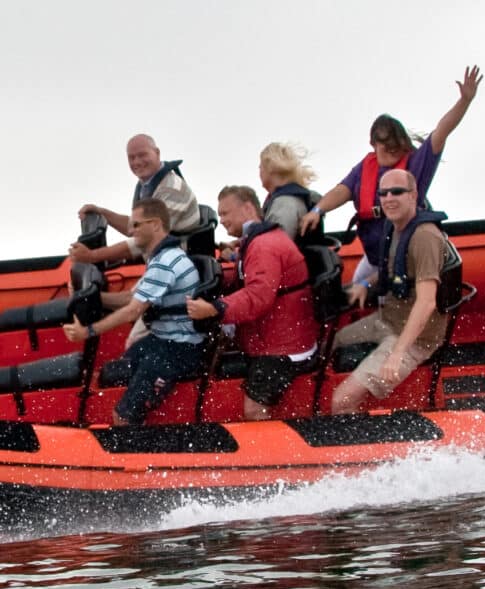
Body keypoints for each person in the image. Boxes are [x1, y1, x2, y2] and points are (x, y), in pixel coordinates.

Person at [299, 65, 482, 280]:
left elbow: (442, 131)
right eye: (386, 147)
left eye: (395, 146)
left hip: (404, 256)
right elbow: (342, 190)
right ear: (373, 144)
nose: (392, 151)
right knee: (355, 285)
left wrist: (464, 101)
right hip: (374, 258)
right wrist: (317, 210)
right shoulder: (365, 168)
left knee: (368, 286)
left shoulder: (415, 164)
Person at [62, 199, 204, 425]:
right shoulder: (161, 257)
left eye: (136, 225)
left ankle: (134, 431)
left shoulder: (165, 263)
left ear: (155, 224)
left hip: (179, 349)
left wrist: (88, 331)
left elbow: (132, 311)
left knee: (122, 417)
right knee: (118, 371)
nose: (130, 230)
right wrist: (90, 297)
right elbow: (130, 298)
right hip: (162, 340)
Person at [186, 185, 318, 420]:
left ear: (247, 208)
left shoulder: (263, 245)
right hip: (271, 341)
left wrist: (215, 309)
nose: (221, 220)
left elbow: (258, 296)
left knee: (254, 409)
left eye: (225, 213)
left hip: (284, 349)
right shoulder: (256, 242)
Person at [331, 169, 450, 414]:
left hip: (414, 339)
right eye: (383, 193)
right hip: (387, 320)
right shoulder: (395, 227)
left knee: (342, 401)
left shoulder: (425, 237)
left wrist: (397, 354)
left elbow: (427, 302)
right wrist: (365, 284)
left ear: (413, 195)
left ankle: (359, 437)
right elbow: (394, 269)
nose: (388, 199)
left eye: (397, 192)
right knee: (331, 342)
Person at [69, 134, 200, 264]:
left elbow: (147, 239)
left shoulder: (171, 189)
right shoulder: (146, 185)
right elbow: (135, 228)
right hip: (159, 258)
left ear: (157, 153)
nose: (137, 162)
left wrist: (93, 255)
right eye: (131, 158)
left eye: (142, 155)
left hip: (178, 264)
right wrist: (102, 213)